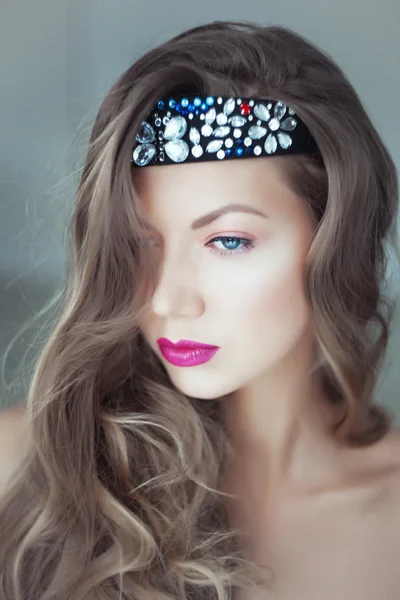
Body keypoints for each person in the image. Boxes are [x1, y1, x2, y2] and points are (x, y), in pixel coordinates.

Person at [0, 19, 399, 600]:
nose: (166, 299)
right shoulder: (26, 469)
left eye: (228, 241)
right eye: (140, 245)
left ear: (333, 242)